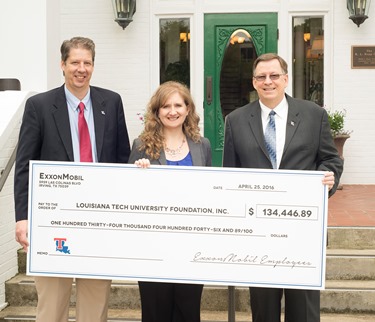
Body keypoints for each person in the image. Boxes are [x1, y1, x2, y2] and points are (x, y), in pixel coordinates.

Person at [14, 36, 131, 322]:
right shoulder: (39, 106)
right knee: (51, 306)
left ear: (93, 65)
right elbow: (25, 165)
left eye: (87, 62)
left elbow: (122, 160)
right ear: (62, 65)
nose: (81, 69)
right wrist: (22, 218)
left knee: (95, 305)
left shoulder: (111, 102)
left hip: (99, 220)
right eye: (75, 62)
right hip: (54, 221)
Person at [222, 53, 343, 322]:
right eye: (261, 77)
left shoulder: (314, 115)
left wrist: (328, 177)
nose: (268, 81)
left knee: (304, 310)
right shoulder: (236, 120)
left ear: (285, 79)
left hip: (302, 231)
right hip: (258, 233)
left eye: (274, 75)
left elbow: (330, 160)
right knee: (263, 309)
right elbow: (230, 175)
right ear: (254, 83)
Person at [128, 81, 211, 322]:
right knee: (155, 312)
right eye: (165, 106)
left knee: (188, 310)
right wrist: (138, 174)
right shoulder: (141, 146)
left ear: (188, 109)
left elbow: (209, 192)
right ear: (156, 112)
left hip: (191, 244)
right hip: (153, 245)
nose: (172, 111)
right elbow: (128, 194)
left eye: (178, 105)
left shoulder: (202, 145)